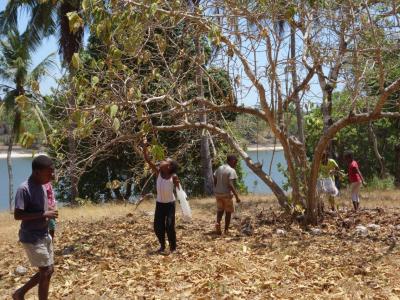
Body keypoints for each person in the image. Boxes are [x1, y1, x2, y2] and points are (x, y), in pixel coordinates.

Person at [13, 155, 58, 300]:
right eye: (49, 172)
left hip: (44, 234)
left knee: (48, 271)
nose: (52, 175)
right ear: (37, 172)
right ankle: (20, 293)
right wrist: (44, 213)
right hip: (31, 237)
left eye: (53, 171)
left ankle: (19, 293)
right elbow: (18, 215)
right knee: (46, 271)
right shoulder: (24, 189)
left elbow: (39, 208)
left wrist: (49, 209)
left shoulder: (42, 185)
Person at [142, 139, 180, 254]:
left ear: (169, 166)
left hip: (169, 205)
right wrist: (144, 148)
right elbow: (148, 160)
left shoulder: (173, 176)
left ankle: (173, 248)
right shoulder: (158, 172)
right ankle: (162, 246)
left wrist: (178, 184)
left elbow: (179, 189)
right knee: (158, 227)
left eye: (165, 161)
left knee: (169, 226)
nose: (162, 161)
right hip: (159, 204)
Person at [213, 154, 241, 235]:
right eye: (235, 162)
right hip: (226, 195)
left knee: (220, 210)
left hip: (218, 194)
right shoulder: (231, 170)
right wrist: (237, 197)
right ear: (232, 161)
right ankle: (226, 230)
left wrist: (216, 188)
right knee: (228, 212)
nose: (235, 164)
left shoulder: (219, 168)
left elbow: (214, 178)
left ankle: (218, 223)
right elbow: (230, 184)